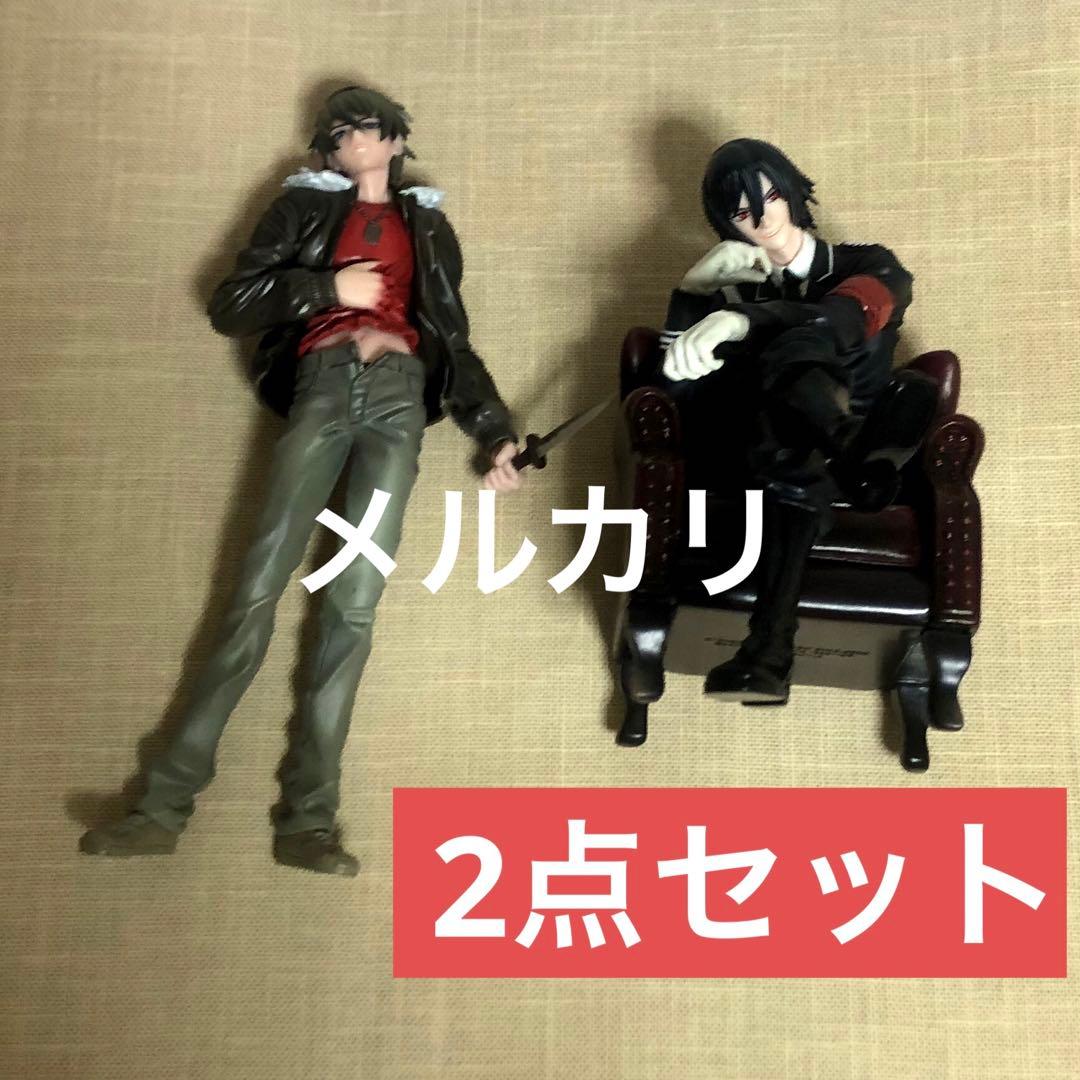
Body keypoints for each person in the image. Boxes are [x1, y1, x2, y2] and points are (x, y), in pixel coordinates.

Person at [80, 86, 524, 875]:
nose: (350, 143)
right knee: (257, 585)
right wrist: (327, 290)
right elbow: (232, 303)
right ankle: (160, 806)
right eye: (337, 134)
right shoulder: (301, 206)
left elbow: (453, 338)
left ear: (396, 139)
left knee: (354, 606)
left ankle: (310, 821)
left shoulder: (428, 225)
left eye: (364, 130)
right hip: (324, 379)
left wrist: (494, 432)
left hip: (400, 396)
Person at [659, 138, 936, 705]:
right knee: (780, 432)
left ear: (791, 191)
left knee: (794, 371)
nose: (763, 221)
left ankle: (768, 656)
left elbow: (838, 320)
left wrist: (742, 321)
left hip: (839, 423)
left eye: (769, 198)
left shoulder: (868, 265)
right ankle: (850, 455)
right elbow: (675, 392)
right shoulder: (730, 290)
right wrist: (691, 293)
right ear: (727, 223)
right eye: (743, 212)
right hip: (786, 450)